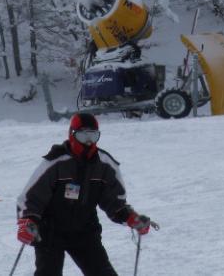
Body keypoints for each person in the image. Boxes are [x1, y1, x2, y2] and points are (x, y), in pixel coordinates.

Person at [16, 112, 156, 276]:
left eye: (93, 135)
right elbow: (31, 198)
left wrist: (131, 218)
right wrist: (27, 221)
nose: (89, 142)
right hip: (50, 232)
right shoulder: (55, 162)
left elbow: (115, 203)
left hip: (85, 231)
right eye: (83, 135)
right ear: (72, 135)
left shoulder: (105, 165)